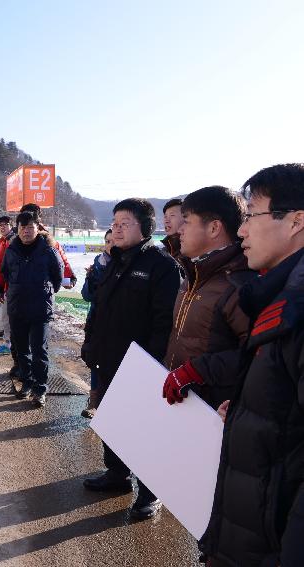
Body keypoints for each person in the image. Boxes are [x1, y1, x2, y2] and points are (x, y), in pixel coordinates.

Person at [200, 164, 304, 566]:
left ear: (296, 221)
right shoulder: (274, 296)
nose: (241, 230)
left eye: (251, 215)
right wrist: (246, 409)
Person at [80, 198, 181, 520]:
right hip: (108, 359)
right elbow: (99, 308)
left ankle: (151, 492)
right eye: (115, 222)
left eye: (125, 223)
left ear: (146, 228)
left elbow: (165, 320)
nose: (117, 228)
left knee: (144, 430)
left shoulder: (160, 265)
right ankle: (117, 474)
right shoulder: (115, 261)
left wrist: (151, 364)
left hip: (141, 365)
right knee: (113, 422)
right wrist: (91, 344)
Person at [161, 186, 255, 410]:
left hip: (213, 413)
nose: (179, 230)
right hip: (182, 403)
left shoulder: (238, 284)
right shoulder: (194, 273)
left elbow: (257, 358)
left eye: (187, 221)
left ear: (214, 228)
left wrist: (196, 371)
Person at [1, 212, 63, 407]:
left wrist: (45, 292)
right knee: (21, 350)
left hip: (40, 309)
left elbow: (57, 277)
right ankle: (26, 383)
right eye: (22, 228)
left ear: (37, 228)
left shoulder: (48, 250)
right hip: (17, 308)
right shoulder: (11, 250)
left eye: (30, 227)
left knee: (39, 350)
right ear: (17, 229)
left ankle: (40, 388)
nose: (26, 232)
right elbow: (5, 273)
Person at [79, 228, 113, 417]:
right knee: (95, 362)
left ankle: (108, 404)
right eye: (107, 241)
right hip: (95, 322)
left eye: (113, 241)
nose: (110, 245)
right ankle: (94, 403)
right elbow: (87, 295)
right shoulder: (98, 264)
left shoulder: (124, 265)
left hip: (114, 324)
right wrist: (90, 278)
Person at [20, 203, 76, 288]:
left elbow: (60, 260)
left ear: (38, 219)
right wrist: (0, 288)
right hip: (17, 293)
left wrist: (68, 278)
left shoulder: (48, 239)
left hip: (41, 293)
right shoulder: (14, 238)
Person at [0, 216, 16, 355]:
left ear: (11, 225)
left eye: (5, 224)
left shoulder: (13, 241)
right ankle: (10, 343)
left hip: (12, 287)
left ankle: (9, 344)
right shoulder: (3, 242)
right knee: (6, 317)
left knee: (7, 317)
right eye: (0, 225)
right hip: (6, 287)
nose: (2, 227)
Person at [161, 198, 185, 263]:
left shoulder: (192, 251)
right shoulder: (163, 251)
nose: (166, 220)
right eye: (165, 216)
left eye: (172, 215)